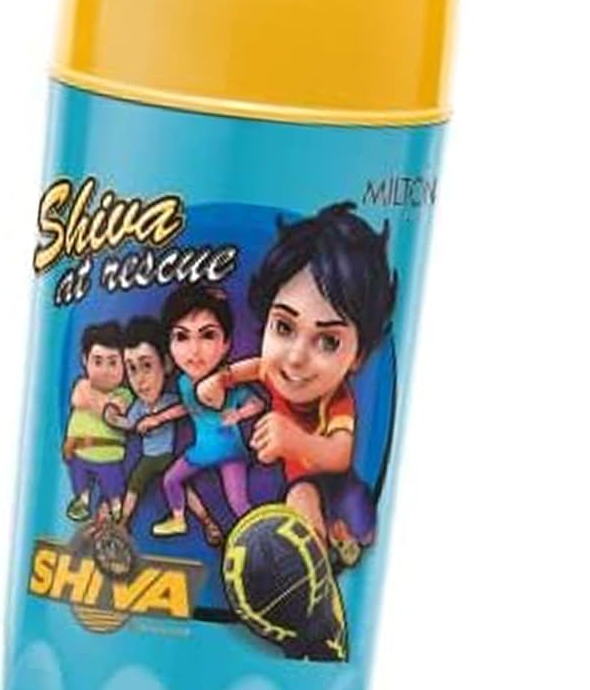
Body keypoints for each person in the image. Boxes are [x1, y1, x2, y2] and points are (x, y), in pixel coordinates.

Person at [201, 203, 396, 567]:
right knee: (301, 499)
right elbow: (257, 368)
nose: (294, 358)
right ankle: (312, 569)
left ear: (358, 356)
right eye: (284, 327)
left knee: (362, 526)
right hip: (303, 481)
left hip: (336, 480)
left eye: (328, 342)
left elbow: (339, 453)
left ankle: (343, 536)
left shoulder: (336, 401)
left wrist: (294, 440)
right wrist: (222, 379)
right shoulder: (277, 373)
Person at [150, 283, 262, 539]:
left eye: (208, 335)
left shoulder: (228, 383)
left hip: (228, 450)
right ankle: (178, 519)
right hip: (201, 451)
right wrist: (159, 418)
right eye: (181, 337)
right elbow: (189, 407)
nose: (194, 351)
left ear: (226, 343)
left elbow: (257, 403)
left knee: (239, 503)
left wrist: (239, 414)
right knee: (170, 480)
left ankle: (261, 538)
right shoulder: (183, 382)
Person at [61, 321, 132, 522]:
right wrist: (104, 409)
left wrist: (106, 410)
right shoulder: (81, 385)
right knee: (79, 481)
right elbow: (79, 399)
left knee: (113, 486)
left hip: (109, 455)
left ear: (124, 365)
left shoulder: (124, 394)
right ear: (85, 360)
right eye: (98, 362)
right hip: (79, 452)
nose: (105, 370)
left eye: (113, 363)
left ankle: (116, 508)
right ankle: (82, 500)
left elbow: (114, 413)